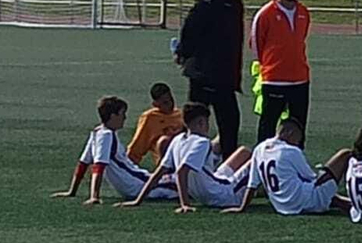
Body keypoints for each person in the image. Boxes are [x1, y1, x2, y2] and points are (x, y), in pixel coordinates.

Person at [176, 0, 256, 153]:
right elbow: (192, 25)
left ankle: (223, 169)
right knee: (198, 121)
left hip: (222, 74)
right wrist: (184, 54)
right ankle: (181, 161)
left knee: (228, 123)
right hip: (207, 73)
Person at [120, 103, 248, 212]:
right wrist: (185, 204)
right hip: (222, 195)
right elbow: (182, 171)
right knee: (256, 161)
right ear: (201, 122)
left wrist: (138, 200)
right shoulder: (202, 142)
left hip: (208, 189)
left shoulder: (178, 140)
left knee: (243, 152)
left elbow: (159, 172)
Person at [226, 119, 351, 217]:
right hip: (305, 201)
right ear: (290, 133)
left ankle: (347, 203)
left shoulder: (259, 149)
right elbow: (312, 178)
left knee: (325, 194)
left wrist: (242, 208)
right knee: (345, 154)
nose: (298, 143)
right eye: (298, 139)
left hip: (282, 206)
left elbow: (252, 185)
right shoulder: (290, 151)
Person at [56, 95, 160, 205]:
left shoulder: (97, 132)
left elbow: (83, 164)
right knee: (176, 184)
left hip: (136, 183)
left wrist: (72, 191)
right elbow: (99, 166)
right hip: (138, 184)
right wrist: (94, 196)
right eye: (122, 114)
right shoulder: (106, 135)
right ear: (113, 116)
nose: (124, 118)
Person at [251, 0, 312, 143]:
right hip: (274, 80)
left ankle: (295, 160)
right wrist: (270, 66)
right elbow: (256, 45)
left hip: (300, 79)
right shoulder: (266, 14)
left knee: (298, 126)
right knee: (268, 124)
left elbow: (301, 39)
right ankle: (262, 159)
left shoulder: (303, 12)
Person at [125, 83, 184, 168]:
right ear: (155, 104)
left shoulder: (181, 114)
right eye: (165, 103)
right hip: (167, 161)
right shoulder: (150, 118)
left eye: (171, 100)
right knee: (165, 141)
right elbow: (137, 147)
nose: (171, 104)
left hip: (184, 154)